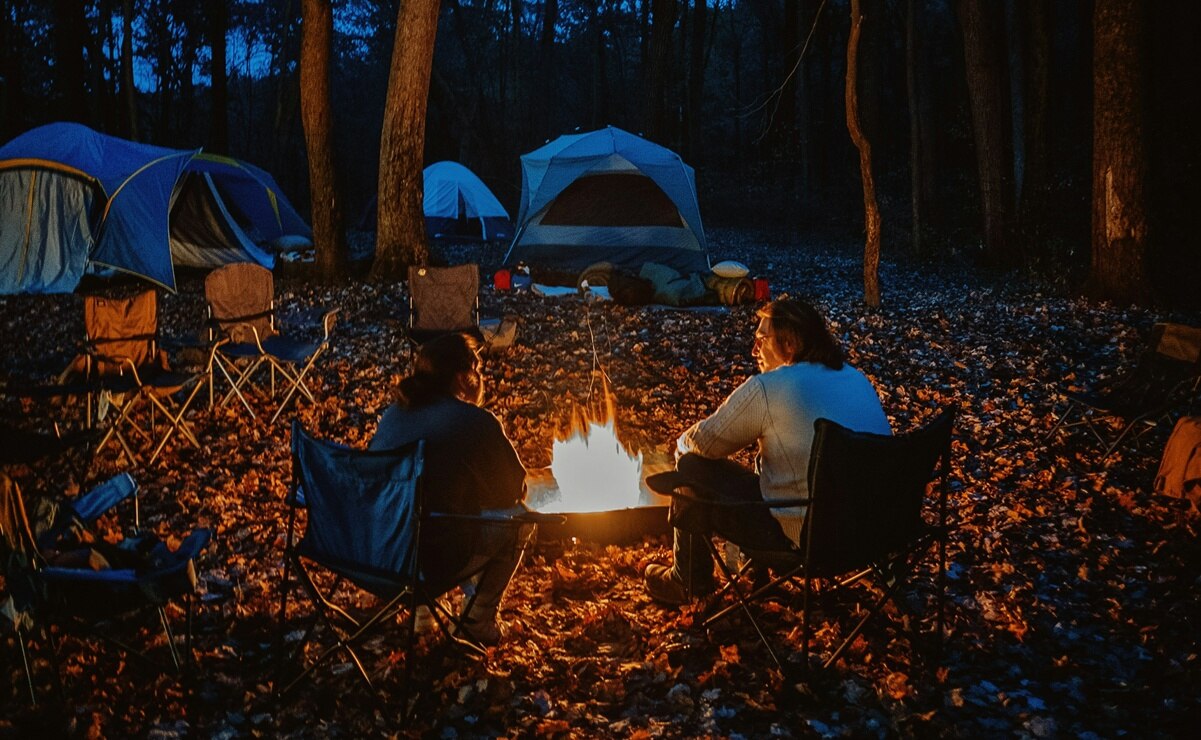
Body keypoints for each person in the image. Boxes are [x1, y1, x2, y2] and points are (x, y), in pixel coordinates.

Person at [644, 297, 892, 605]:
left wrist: (681, 445)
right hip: (876, 533)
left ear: (789, 344)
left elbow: (703, 443)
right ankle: (751, 572)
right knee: (775, 464)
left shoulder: (770, 387)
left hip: (810, 542)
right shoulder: (856, 379)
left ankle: (687, 580)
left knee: (691, 464)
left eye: (761, 340)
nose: (753, 350)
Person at [369, 332, 530, 644]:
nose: (481, 378)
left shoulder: (394, 414)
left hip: (377, 554)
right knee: (519, 520)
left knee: (429, 513)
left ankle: (423, 612)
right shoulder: (474, 421)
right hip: (430, 561)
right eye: (478, 371)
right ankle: (477, 620)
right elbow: (514, 489)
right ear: (462, 377)